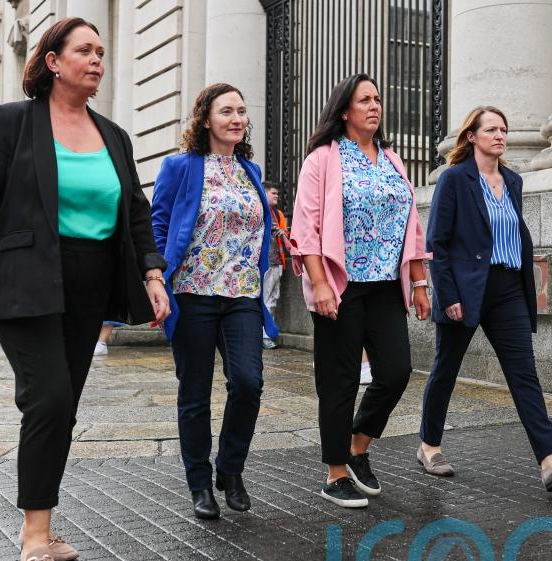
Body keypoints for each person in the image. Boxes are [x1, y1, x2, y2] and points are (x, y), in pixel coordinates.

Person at [0, 17, 170, 561]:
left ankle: (42, 515)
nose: (97, 59)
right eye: (84, 51)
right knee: (47, 399)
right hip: (26, 279)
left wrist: (152, 272)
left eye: (101, 51)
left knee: (63, 406)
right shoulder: (12, 123)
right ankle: (34, 537)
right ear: (52, 61)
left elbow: (137, 213)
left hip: (91, 283)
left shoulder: (113, 135)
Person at [419, 105, 552, 492]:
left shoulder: (513, 181)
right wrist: (446, 294)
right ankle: (429, 445)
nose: (500, 135)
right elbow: (437, 243)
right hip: (465, 290)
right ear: (472, 137)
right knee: (446, 369)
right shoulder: (454, 180)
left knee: (523, 374)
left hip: (509, 288)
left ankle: (551, 461)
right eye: (492, 129)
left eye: (504, 130)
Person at [290, 73, 431, 508]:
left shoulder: (392, 158)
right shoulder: (323, 159)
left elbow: (411, 225)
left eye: (378, 98)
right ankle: (335, 474)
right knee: (340, 380)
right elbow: (306, 229)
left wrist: (420, 281)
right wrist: (319, 283)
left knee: (396, 371)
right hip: (340, 285)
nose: (375, 106)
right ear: (345, 110)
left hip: (387, 285)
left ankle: (357, 446)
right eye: (364, 100)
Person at [151, 83, 277, 520]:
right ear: (205, 119)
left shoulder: (251, 171)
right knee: (196, 394)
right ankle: (200, 483)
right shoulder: (180, 167)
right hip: (193, 292)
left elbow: (257, 228)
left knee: (248, 382)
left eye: (242, 111)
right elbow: (160, 223)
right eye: (227, 111)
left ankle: (231, 469)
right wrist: (157, 281)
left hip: (242, 292)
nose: (237, 119)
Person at [262, 181, 290, 349]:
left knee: (272, 299)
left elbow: (284, 231)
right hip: (266, 263)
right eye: (273, 193)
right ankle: (264, 336)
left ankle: (267, 334)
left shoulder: (277, 213)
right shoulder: (263, 211)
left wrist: (283, 233)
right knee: (266, 300)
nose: (277, 196)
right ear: (265, 193)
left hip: (276, 261)